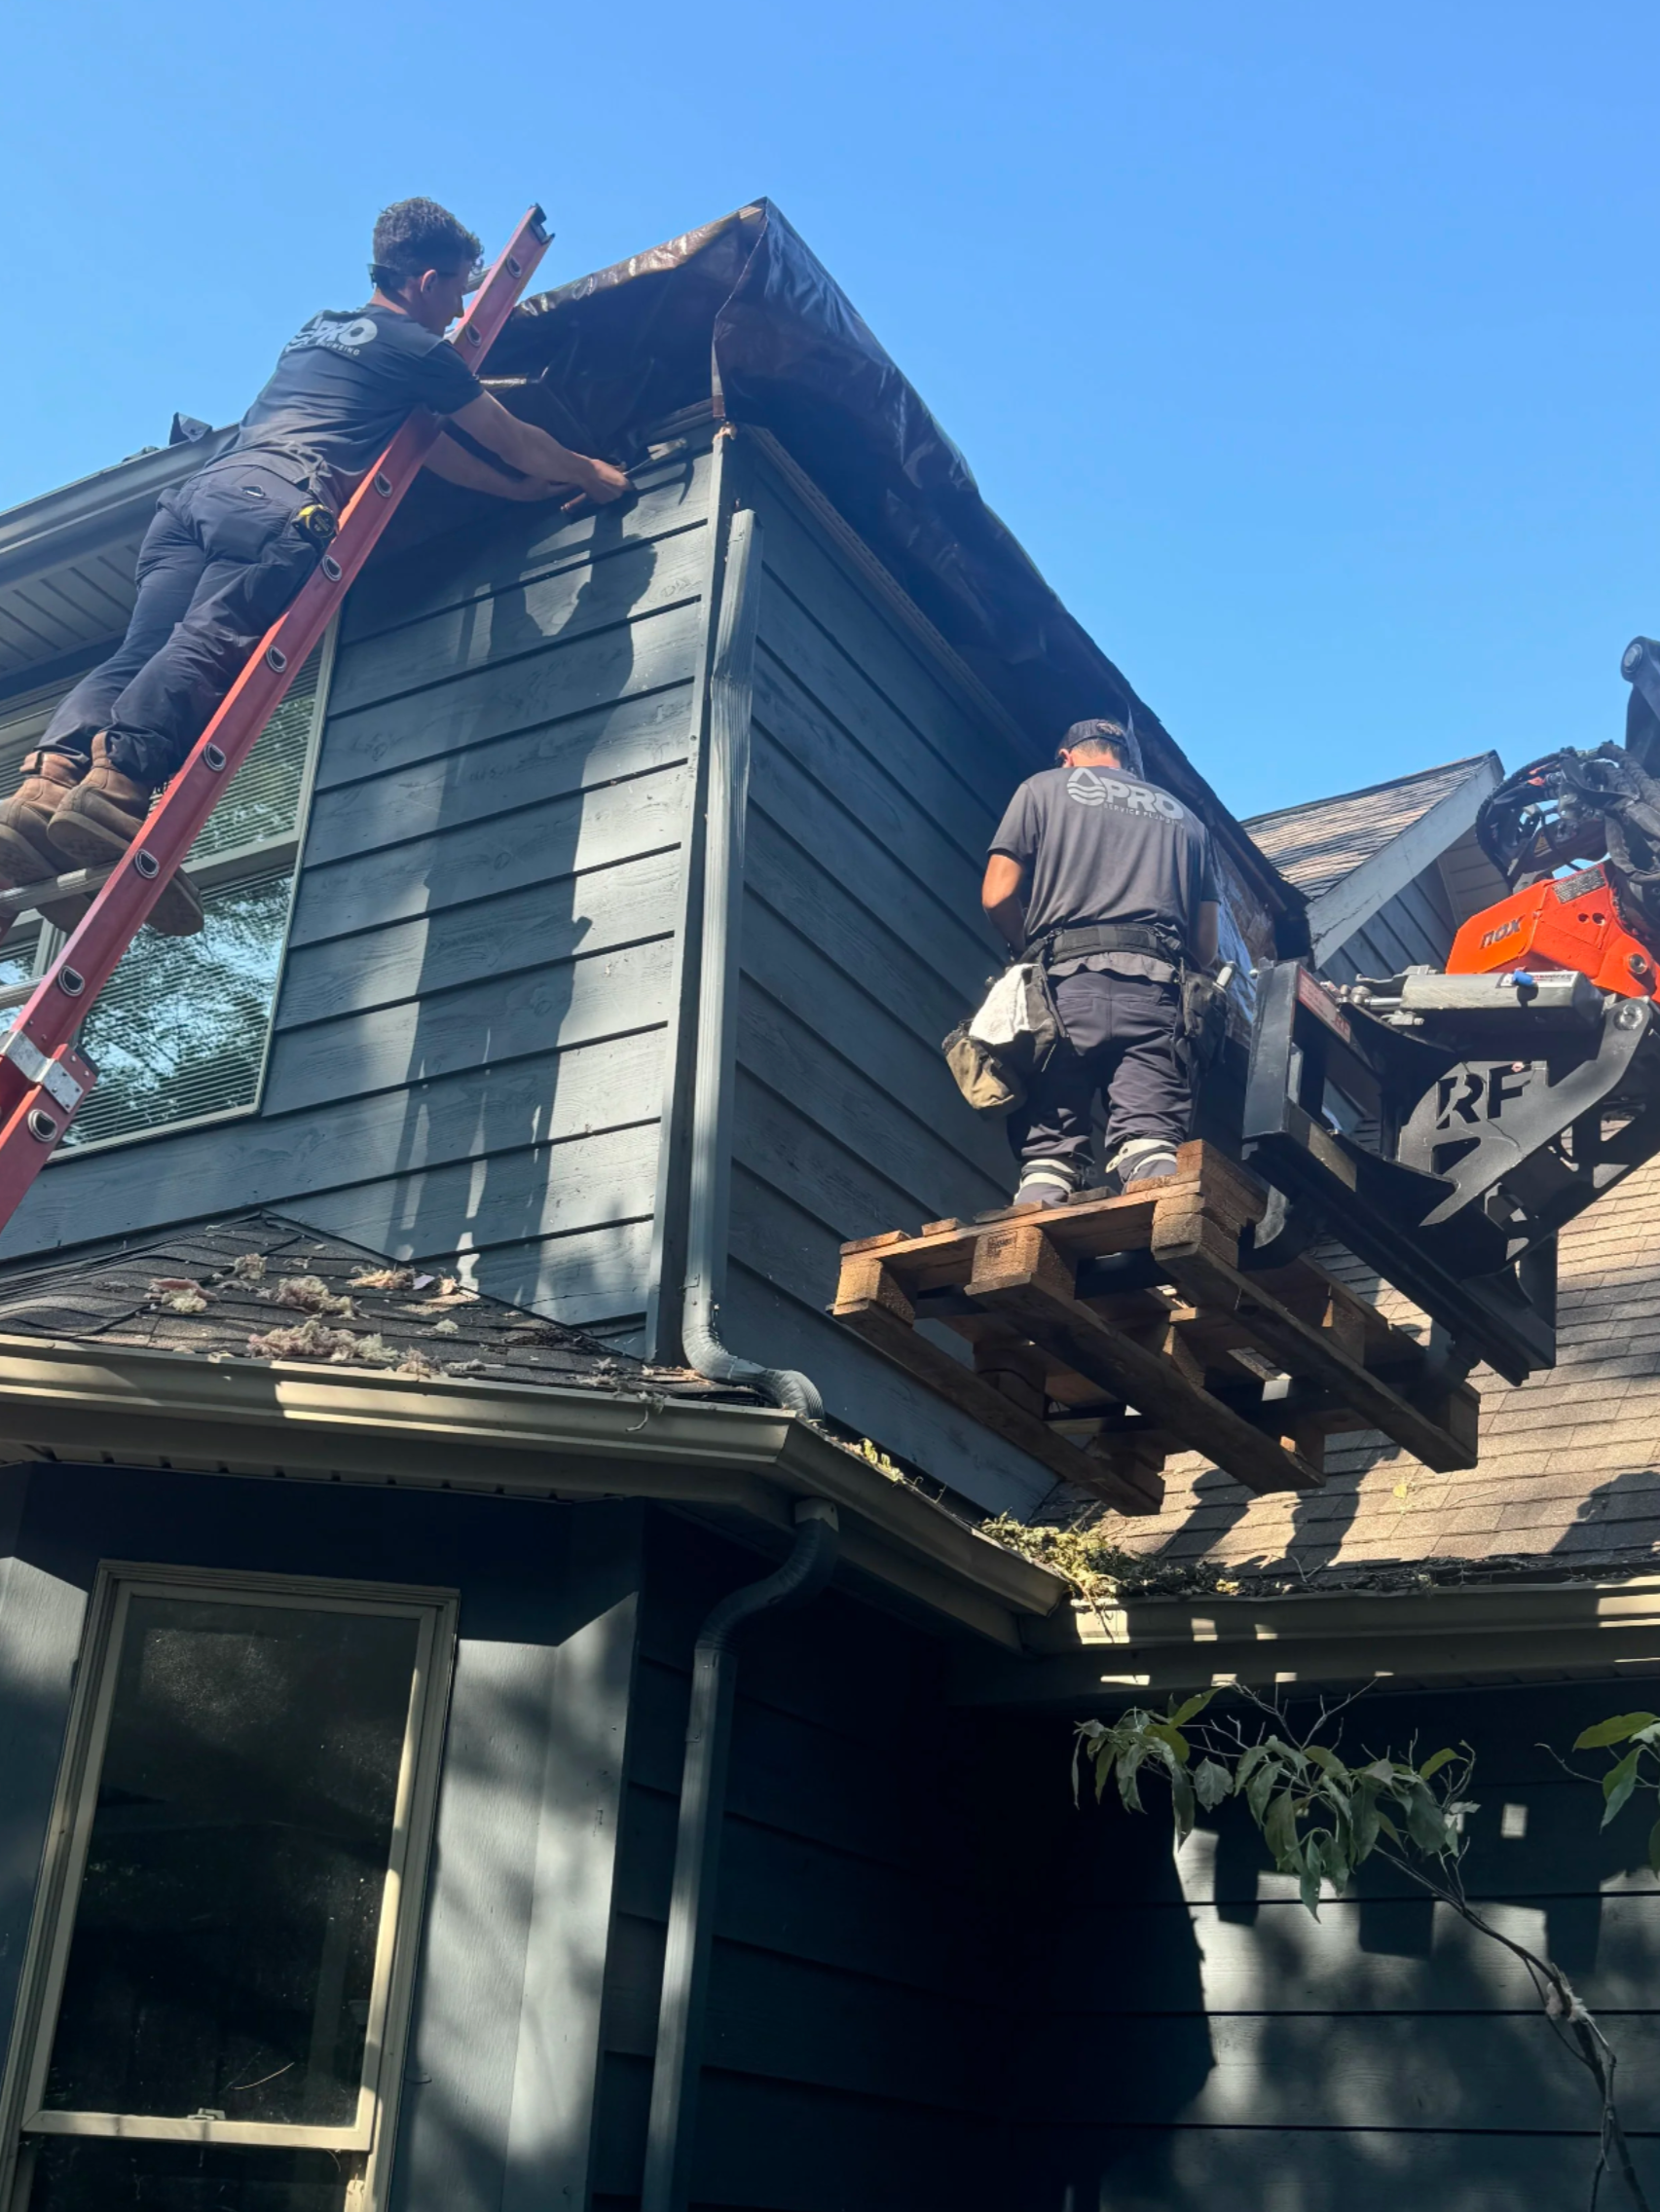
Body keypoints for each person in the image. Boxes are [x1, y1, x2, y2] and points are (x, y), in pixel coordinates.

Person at [0, 198, 630, 937]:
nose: (462, 309)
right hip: (279, 498)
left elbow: (443, 454)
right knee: (211, 637)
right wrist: (588, 472)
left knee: (138, 649)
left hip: (197, 499)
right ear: (426, 279)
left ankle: (42, 791)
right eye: (459, 288)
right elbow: (508, 436)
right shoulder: (418, 349)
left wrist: (527, 491)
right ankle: (115, 787)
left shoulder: (319, 330)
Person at [980, 716, 1221, 1204]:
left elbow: (997, 895)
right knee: (1151, 1142)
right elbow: (1206, 947)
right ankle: (1165, 1242)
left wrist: (1028, 949)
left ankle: (1035, 1238)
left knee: (1048, 1157)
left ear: (1068, 758)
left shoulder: (1042, 789)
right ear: (1125, 761)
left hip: (1064, 989)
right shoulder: (1188, 821)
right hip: (1157, 990)